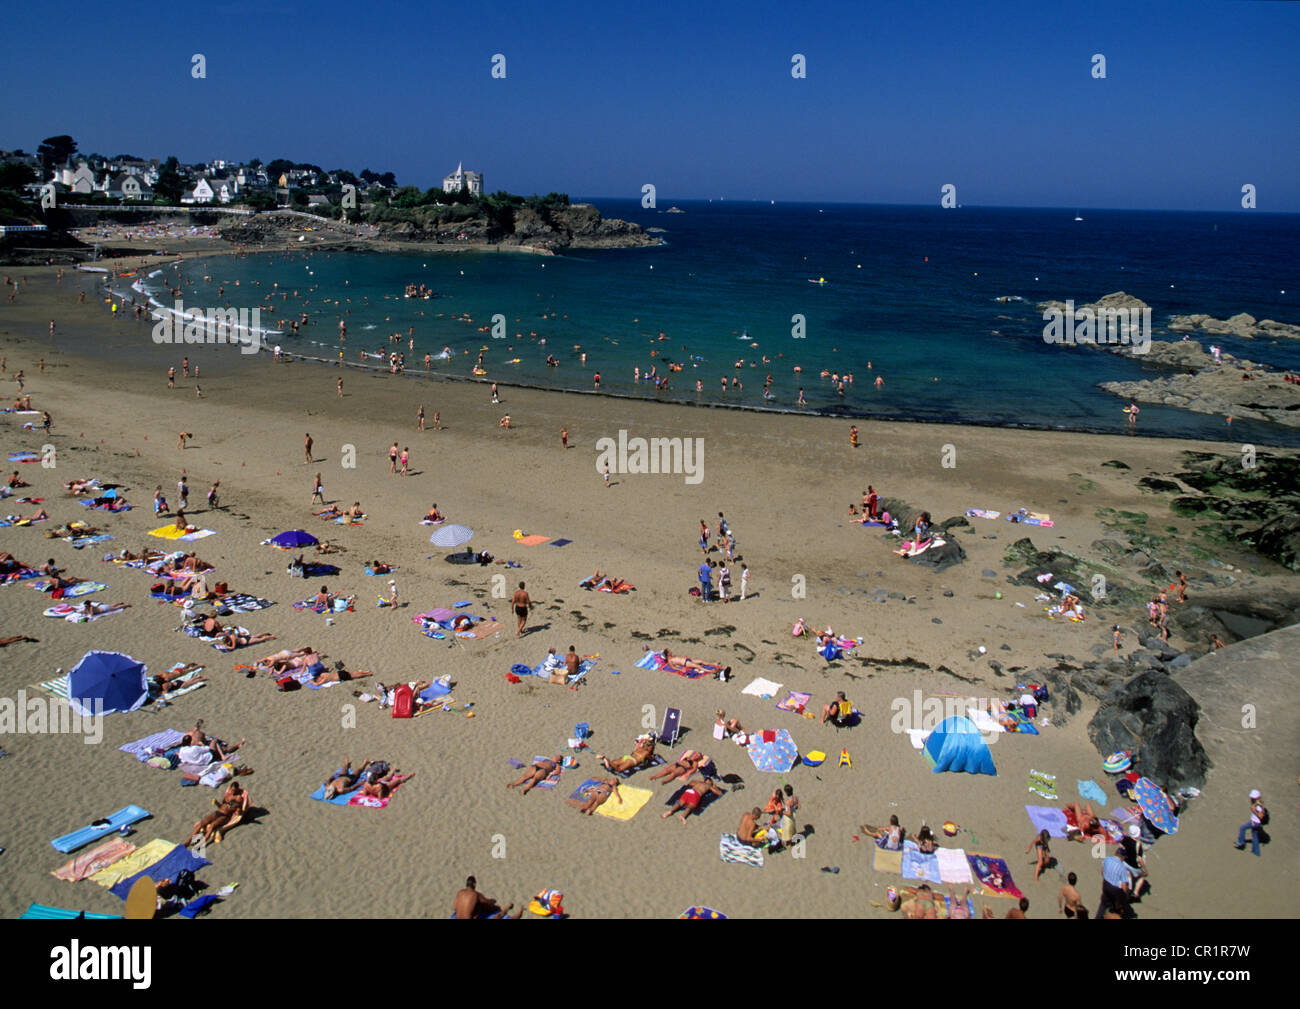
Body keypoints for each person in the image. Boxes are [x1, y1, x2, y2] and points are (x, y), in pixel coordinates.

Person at [453, 876, 520, 919]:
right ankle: (509, 908)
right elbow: (488, 903)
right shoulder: (475, 895)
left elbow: (455, 907)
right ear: (474, 884)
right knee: (498, 916)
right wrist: (494, 904)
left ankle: (508, 908)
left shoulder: (459, 893)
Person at [1235, 788, 1267, 856]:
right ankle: (1256, 852)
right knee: (1255, 836)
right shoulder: (1257, 804)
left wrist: (1254, 810)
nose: (1251, 799)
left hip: (1255, 823)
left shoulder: (1258, 806)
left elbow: (1261, 816)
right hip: (1256, 823)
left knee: (1242, 828)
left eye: (1252, 798)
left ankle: (1241, 843)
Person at [1120, 824, 1149, 896]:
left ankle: (1128, 886)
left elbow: (1121, 848)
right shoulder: (1138, 845)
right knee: (1142, 876)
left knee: (1128, 874)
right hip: (1135, 866)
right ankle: (1135, 892)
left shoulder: (1125, 839)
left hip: (1125, 862)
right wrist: (1145, 869)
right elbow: (1139, 859)